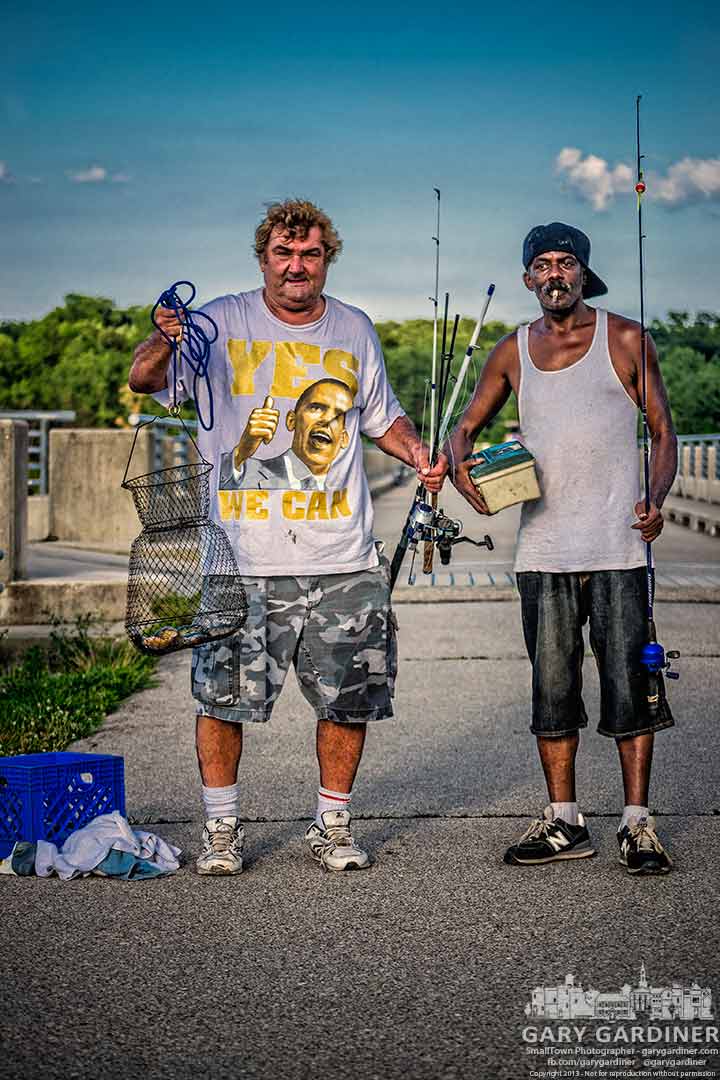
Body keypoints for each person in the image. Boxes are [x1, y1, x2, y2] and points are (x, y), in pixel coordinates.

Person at [129, 198, 446, 876]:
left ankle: (333, 824)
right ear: (263, 257)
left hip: (344, 555)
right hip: (239, 557)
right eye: (283, 253)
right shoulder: (217, 320)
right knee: (221, 699)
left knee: (347, 699)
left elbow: (381, 419)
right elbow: (144, 379)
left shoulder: (355, 328)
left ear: (327, 258)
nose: (295, 266)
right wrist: (166, 335)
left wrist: (420, 454)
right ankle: (221, 831)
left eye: (309, 254)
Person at [447, 222, 678, 876]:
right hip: (542, 553)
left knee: (632, 687)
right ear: (528, 278)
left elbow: (664, 433)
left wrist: (654, 501)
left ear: (584, 273)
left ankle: (637, 824)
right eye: (543, 264)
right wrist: (464, 476)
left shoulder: (627, 338)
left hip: (618, 548)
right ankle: (564, 821)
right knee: (552, 690)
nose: (555, 274)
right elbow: (465, 427)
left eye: (567, 262)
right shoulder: (511, 352)